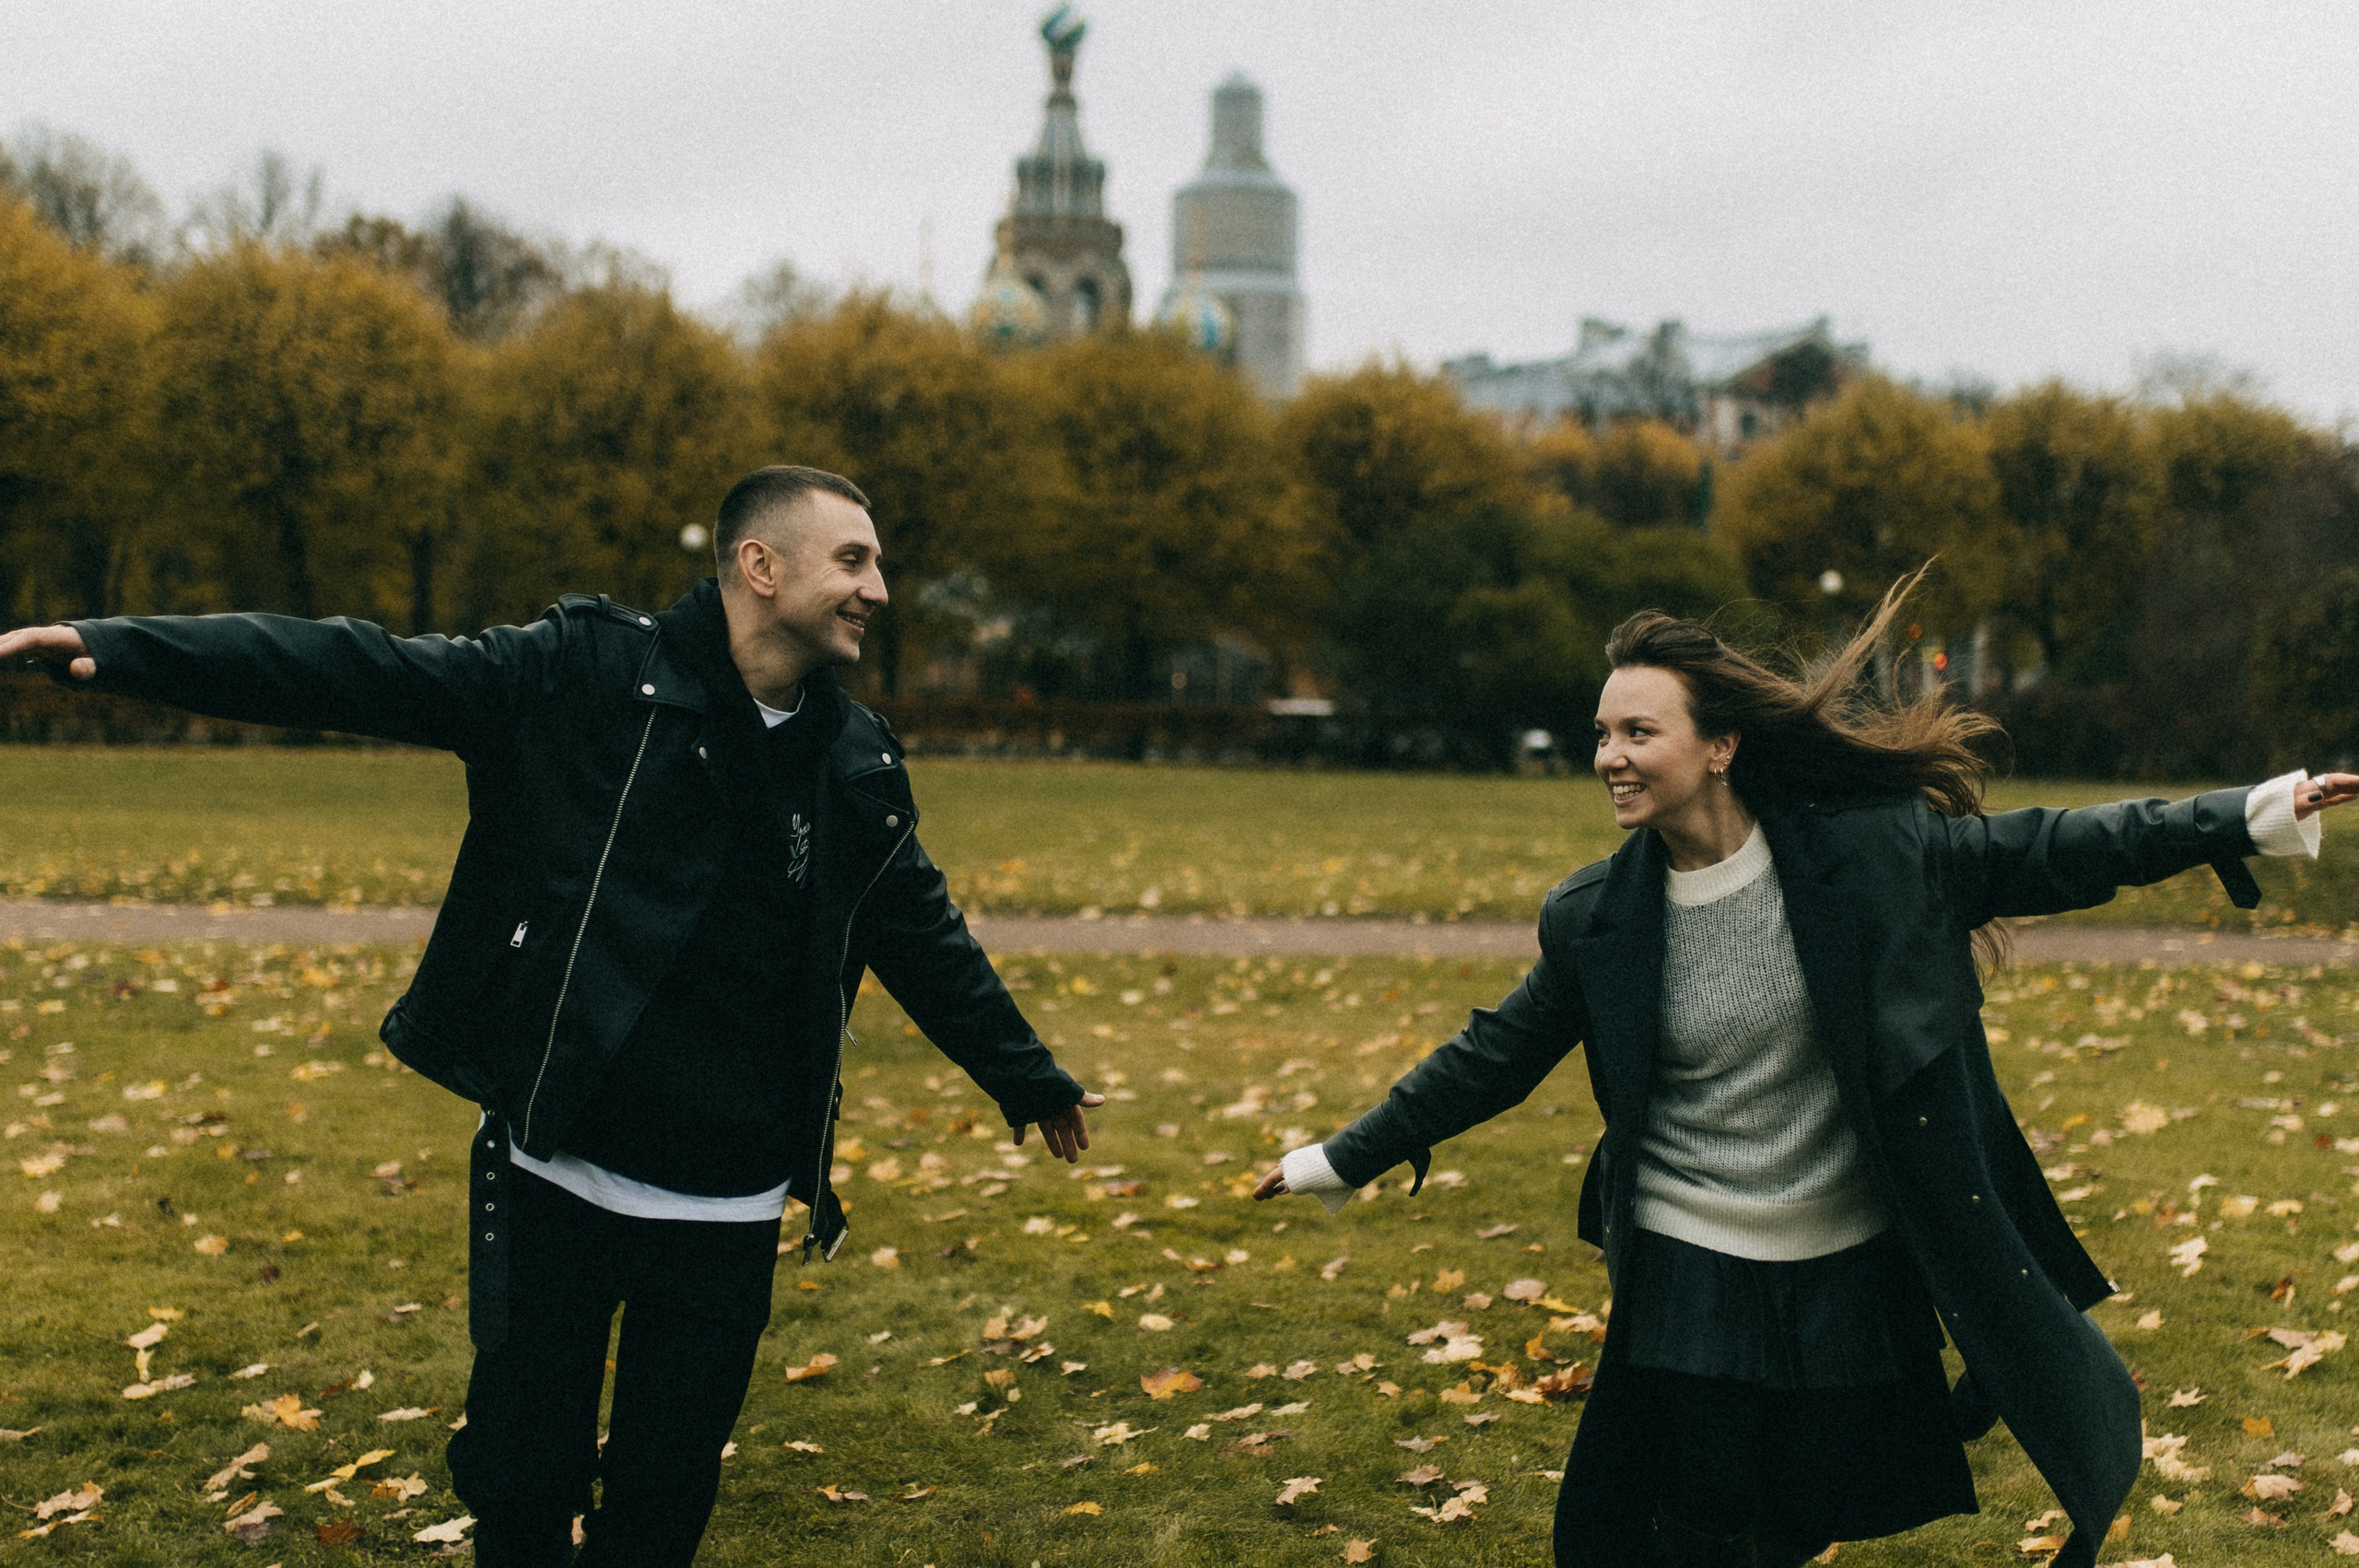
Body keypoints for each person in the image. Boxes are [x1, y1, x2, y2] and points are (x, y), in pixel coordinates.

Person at [1, 465, 1103, 1567]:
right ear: (759, 569)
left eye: (877, 564)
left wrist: (1028, 1077)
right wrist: (125, 647)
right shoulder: (584, 674)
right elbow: (362, 669)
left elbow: (921, 931)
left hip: (727, 1210)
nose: (879, 590)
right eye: (853, 560)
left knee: (659, 1517)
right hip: (558, 1176)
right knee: (521, 1492)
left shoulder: (855, 759)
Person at [1256, 581, 2355, 1568]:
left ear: (1720, 745)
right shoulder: (1598, 918)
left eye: (1640, 731)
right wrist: (1340, 1158)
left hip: (1842, 1255)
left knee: (1810, 1505)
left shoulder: (1872, 858)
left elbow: (2060, 848)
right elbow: (1493, 1055)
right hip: (1688, 1258)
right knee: (1684, 1514)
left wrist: (2248, 816)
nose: (1611, 757)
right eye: (1602, 734)